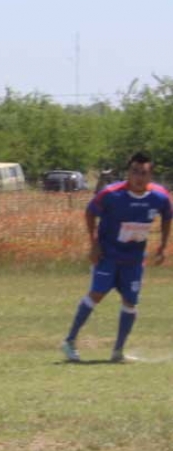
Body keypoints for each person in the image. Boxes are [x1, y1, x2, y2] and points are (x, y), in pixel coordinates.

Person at [62, 151, 171, 363]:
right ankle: (69, 341)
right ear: (128, 173)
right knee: (97, 293)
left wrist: (163, 247)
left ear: (151, 175)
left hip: (134, 260)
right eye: (135, 172)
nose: (139, 177)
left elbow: (167, 216)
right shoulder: (111, 194)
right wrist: (94, 245)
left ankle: (117, 351)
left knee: (130, 302)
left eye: (144, 173)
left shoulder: (159, 196)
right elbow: (90, 212)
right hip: (108, 255)